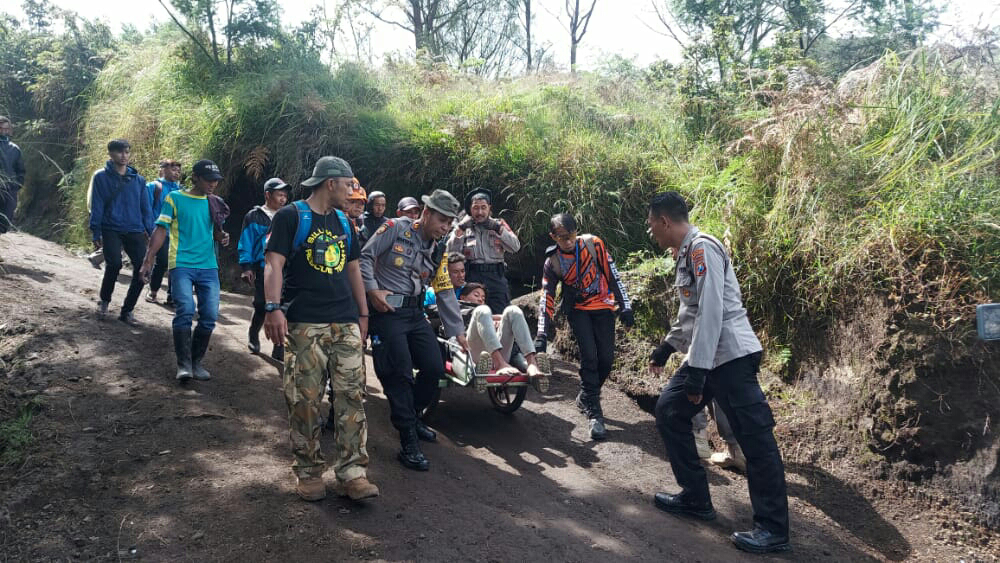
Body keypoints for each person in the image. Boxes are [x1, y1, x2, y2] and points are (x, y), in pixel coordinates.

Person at [645, 191, 789, 554]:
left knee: (755, 439)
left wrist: (696, 372)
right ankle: (696, 498)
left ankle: (773, 530)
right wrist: (668, 346)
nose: (651, 232)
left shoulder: (702, 248)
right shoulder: (685, 254)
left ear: (664, 221)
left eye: (651, 225)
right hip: (707, 356)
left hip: (730, 358)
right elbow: (691, 313)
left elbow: (711, 311)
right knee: (670, 410)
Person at [261, 155, 378, 503]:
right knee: (305, 400)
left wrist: (363, 315)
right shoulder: (291, 216)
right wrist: (272, 308)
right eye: (348, 185)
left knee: (352, 397)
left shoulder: (344, 221)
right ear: (330, 183)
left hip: (345, 322)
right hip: (305, 323)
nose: (351, 192)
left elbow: (353, 268)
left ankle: (353, 473)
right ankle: (309, 470)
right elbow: (273, 263)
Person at [360, 189, 468, 472]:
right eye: (442, 220)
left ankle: (414, 415)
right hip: (388, 313)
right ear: (427, 213)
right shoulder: (395, 229)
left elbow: (444, 289)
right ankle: (408, 440)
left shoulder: (438, 248)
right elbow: (365, 257)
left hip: (415, 315)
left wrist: (458, 331)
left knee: (434, 367)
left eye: (450, 223)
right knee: (400, 374)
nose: (445, 227)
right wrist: (372, 291)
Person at [534, 213, 634, 441]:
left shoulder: (593, 245)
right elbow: (546, 297)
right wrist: (541, 333)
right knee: (589, 356)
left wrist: (625, 306)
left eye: (571, 235)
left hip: (604, 306)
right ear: (553, 237)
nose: (568, 241)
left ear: (576, 231)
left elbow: (613, 275)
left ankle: (586, 396)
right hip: (578, 310)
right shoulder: (553, 262)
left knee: (606, 359)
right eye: (562, 237)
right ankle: (595, 414)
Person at [140, 160, 229, 383]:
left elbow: (215, 232)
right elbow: (161, 230)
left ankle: (196, 361)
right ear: (195, 178)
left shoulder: (214, 202)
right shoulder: (175, 198)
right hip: (181, 264)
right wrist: (148, 259)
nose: (213, 184)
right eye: (209, 180)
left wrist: (222, 236)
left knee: (209, 316)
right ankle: (184, 364)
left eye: (216, 181)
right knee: (186, 310)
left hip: (208, 266)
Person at [89, 139, 152, 326]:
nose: (124, 156)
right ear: (110, 154)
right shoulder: (101, 177)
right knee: (114, 264)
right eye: (119, 152)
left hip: (134, 228)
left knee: (142, 270)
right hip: (111, 227)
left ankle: (127, 310)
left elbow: (146, 208)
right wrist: (96, 231)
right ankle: (104, 301)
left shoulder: (138, 180)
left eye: (126, 152)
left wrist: (151, 231)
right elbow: (97, 205)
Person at [238, 177, 290, 360]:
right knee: (262, 304)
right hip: (262, 267)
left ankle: (279, 346)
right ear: (268, 195)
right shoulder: (254, 216)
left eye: (285, 195)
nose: (283, 199)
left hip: (284, 269)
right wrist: (246, 267)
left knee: (282, 307)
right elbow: (246, 242)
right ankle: (254, 333)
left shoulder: (288, 216)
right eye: (279, 195)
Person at [460, 282, 550, 386]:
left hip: (496, 354)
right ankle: (499, 363)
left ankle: (531, 363)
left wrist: (500, 323)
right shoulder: (457, 308)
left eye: (483, 298)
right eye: (476, 295)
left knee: (513, 311)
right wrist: (493, 319)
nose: (480, 299)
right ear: (463, 297)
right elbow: (469, 317)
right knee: (482, 310)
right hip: (473, 354)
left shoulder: (486, 314)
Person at [447, 188, 519, 314]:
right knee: (473, 313)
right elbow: (451, 252)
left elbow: (515, 247)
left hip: (496, 276)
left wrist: (498, 229)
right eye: (476, 208)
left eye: (483, 207)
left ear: (489, 208)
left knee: (501, 313)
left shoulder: (499, 224)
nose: (480, 212)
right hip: (472, 275)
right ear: (470, 209)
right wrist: (461, 229)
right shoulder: (462, 227)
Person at [145, 159, 182, 305]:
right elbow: (146, 209)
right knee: (162, 261)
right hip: (160, 231)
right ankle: (153, 290)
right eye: (173, 169)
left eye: (178, 171)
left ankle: (172, 296)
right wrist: (150, 230)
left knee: (176, 264)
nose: (176, 173)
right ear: (163, 169)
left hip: (176, 233)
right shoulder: (154, 187)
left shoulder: (180, 191)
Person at [0, 116, 26, 239]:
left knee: (4, 222)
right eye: (1, 128)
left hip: (9, 190)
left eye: (6, 128)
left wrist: (16, 186)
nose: (4, 131)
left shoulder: (14, 149)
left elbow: (20, 170)